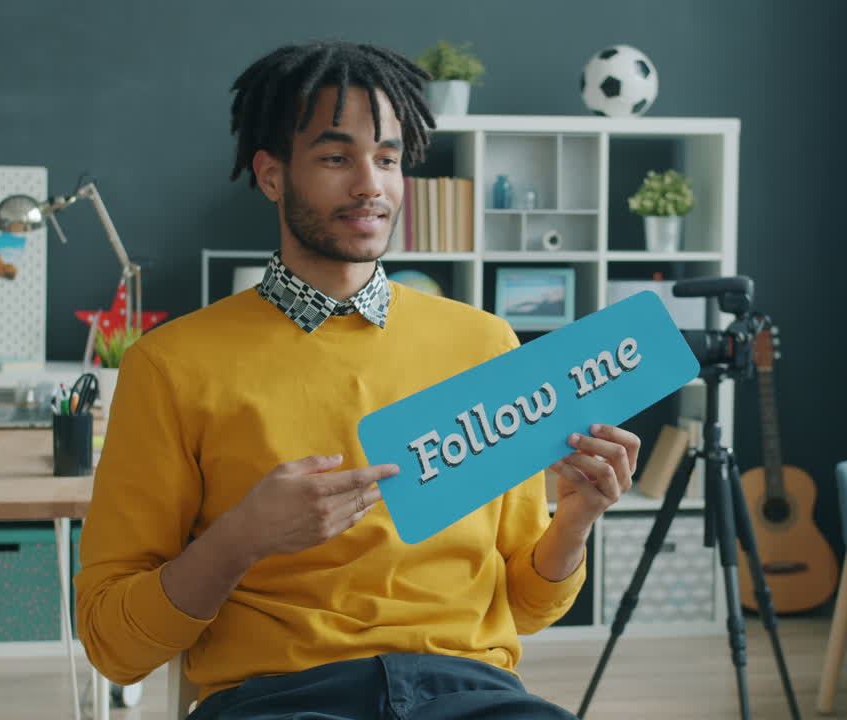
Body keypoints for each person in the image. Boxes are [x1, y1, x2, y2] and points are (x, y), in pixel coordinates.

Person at [75, 40, 642, 720]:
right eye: (336, 158)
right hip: (279, 700)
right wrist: (242, 536)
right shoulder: (170, 365)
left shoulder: (486, 344)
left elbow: (524, 607)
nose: (371, 185)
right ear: (272, 175)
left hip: (468, 693)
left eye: (389, 159)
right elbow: (114, 647)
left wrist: (575, 520)